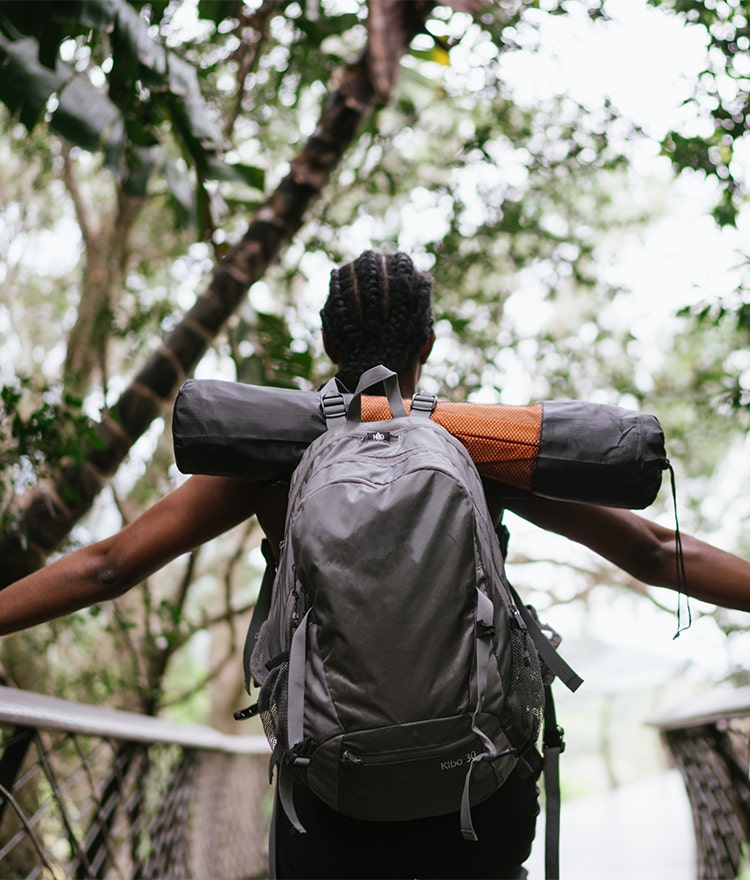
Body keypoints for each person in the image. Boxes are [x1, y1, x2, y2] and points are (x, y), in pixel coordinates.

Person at [1, 249, 750, 879]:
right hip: (479, 787)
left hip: (331, 790)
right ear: (429, 340)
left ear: (328, 338)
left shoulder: (273, 453)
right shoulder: (482, 447)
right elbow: (653, 552)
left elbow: (107, 566)